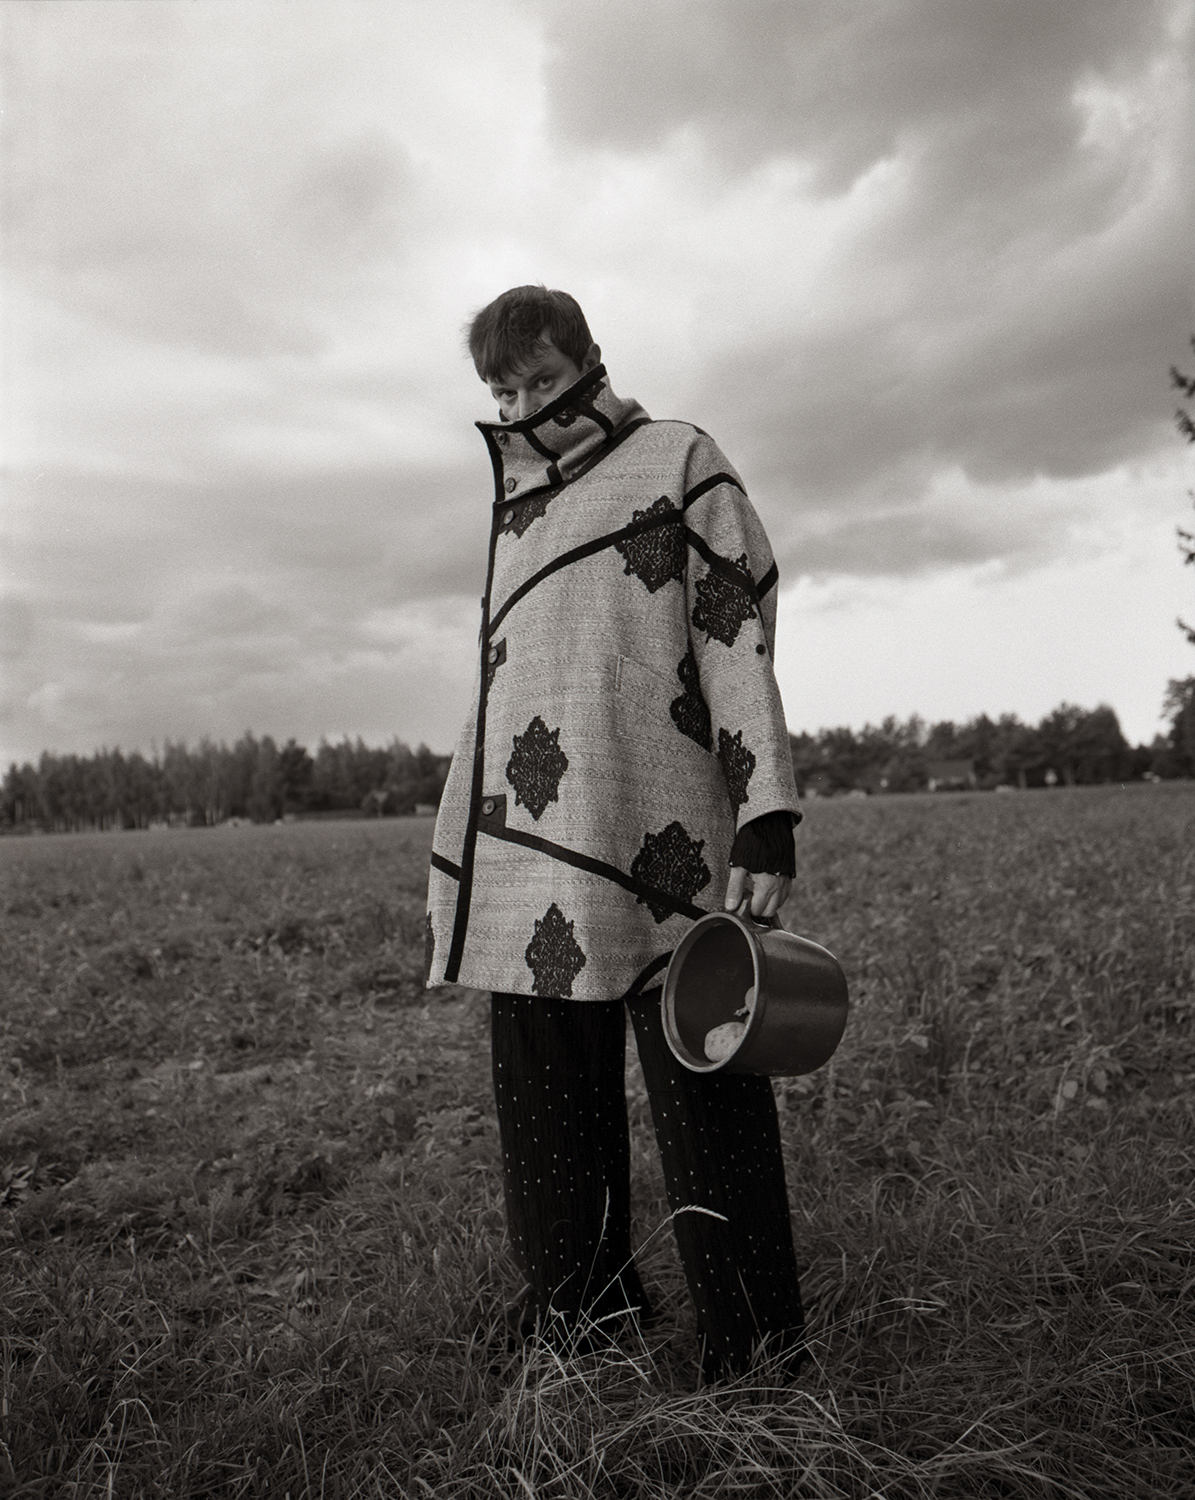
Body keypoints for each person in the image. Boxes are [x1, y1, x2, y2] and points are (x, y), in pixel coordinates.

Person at [425, 285, 805, 1383]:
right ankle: (581, 1313)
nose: (523, 407)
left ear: (591, 359)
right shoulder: (516, 507)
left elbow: (733, 635)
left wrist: (766, 811)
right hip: (526, 850)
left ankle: (752, 1342)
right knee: (545, 1100)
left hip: (662, 830)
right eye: (503, 392)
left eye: (541, 380)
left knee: (706, 1079)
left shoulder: (679, 460)